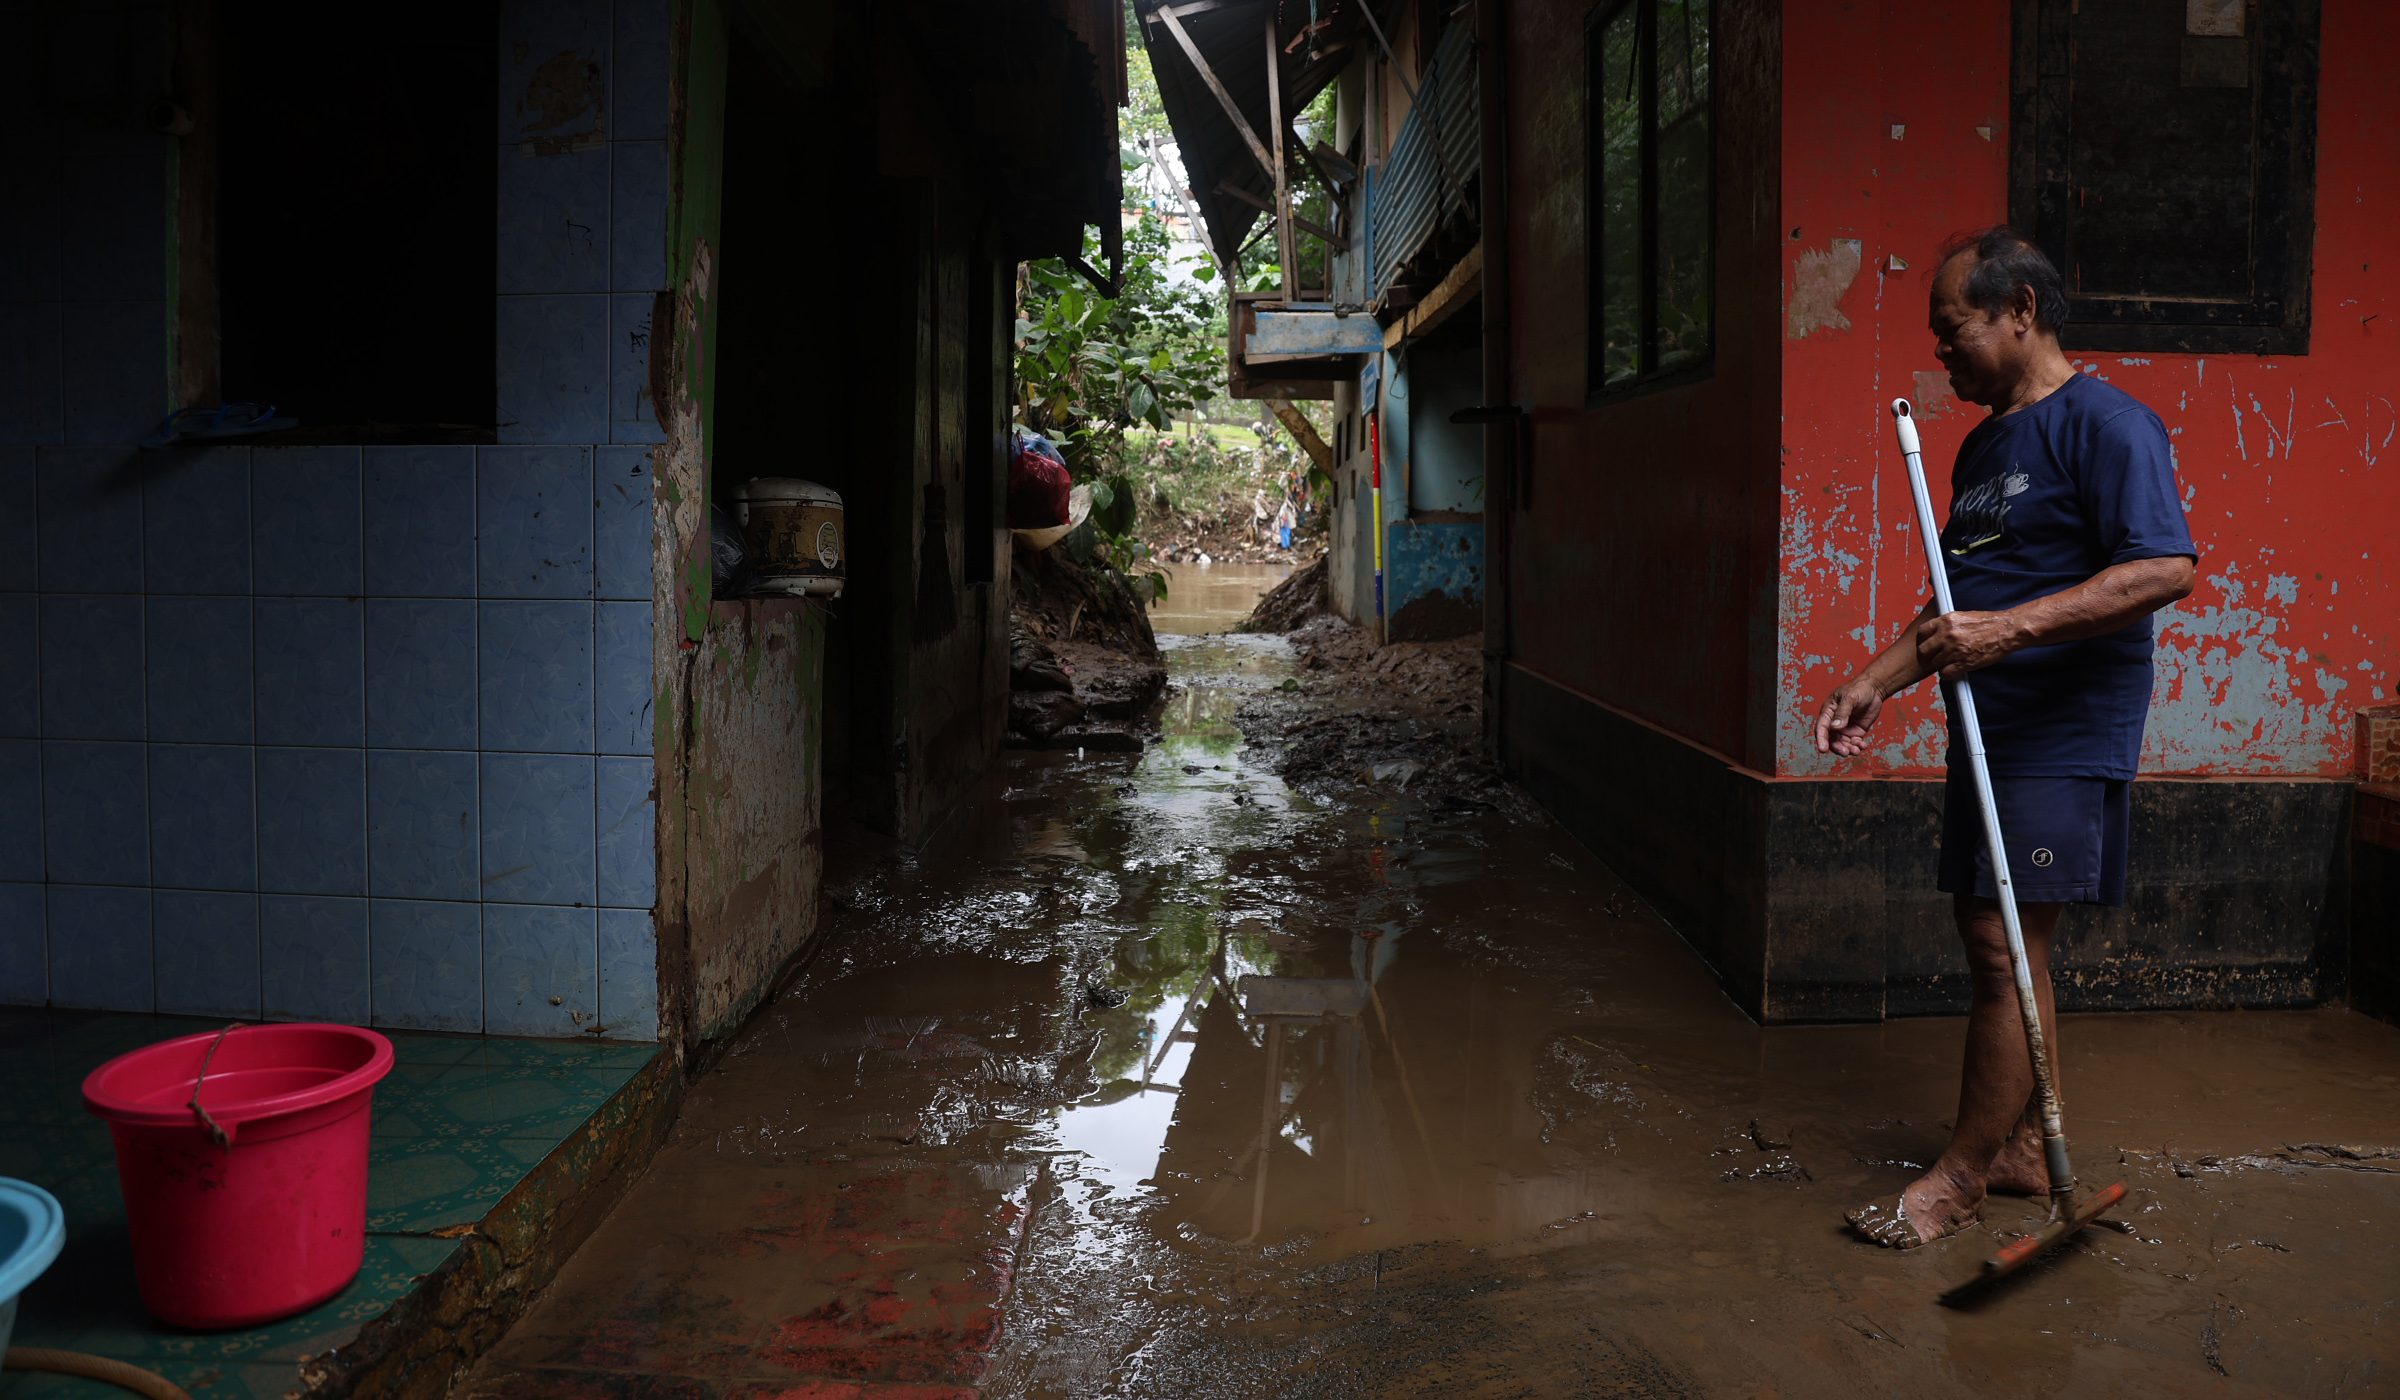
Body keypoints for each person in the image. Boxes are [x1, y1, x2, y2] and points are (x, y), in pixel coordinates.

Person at [1810, 228, 2197, 1248]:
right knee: (2008, 946)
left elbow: (2165, 567)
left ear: (2020, 309)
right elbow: (1953, 602)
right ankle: (2027, 1144)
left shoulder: (2111, 425)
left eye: (1955, 331)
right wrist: (1871, 682)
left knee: (1999, 946)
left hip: (2064, 729)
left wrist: (2012, 628)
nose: (1942, 355)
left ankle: (1962, 1175)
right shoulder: (1983, 447)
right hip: (1987, 725)